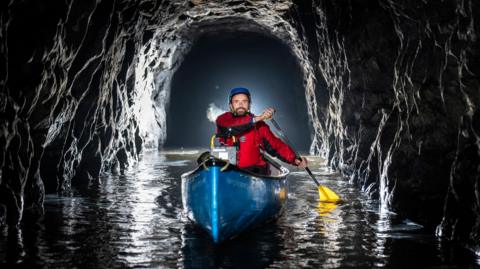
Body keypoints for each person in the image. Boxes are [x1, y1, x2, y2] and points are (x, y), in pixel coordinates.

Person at [215, 87, 308, 174]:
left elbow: (276, 147)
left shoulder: (260, 126)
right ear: (230, 105)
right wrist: (259, 118)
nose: (240, 104)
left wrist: (295, 160)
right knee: (213, 161)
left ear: (249, 104)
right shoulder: (223, 119)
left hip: (254, 171)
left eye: (244, 101)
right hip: (229, 170)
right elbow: (234, 126)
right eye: (236, 101)